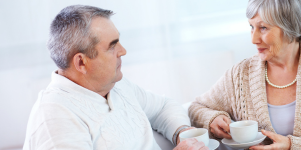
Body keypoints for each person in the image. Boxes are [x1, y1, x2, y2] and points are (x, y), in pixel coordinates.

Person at [188, 0, 301, 149]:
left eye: (263, 28)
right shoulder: (240, 74)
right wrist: (212, 120)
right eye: (251, 27)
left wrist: (292, 145)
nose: (253, 39)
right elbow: (196, 107)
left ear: (290, 27)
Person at [23, 5, 207, 150]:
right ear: (81, 63)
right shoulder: (55, 117)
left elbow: (163, 107)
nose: (123, 51)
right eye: (112, 46)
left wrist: (182, 133)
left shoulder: (114, 86)